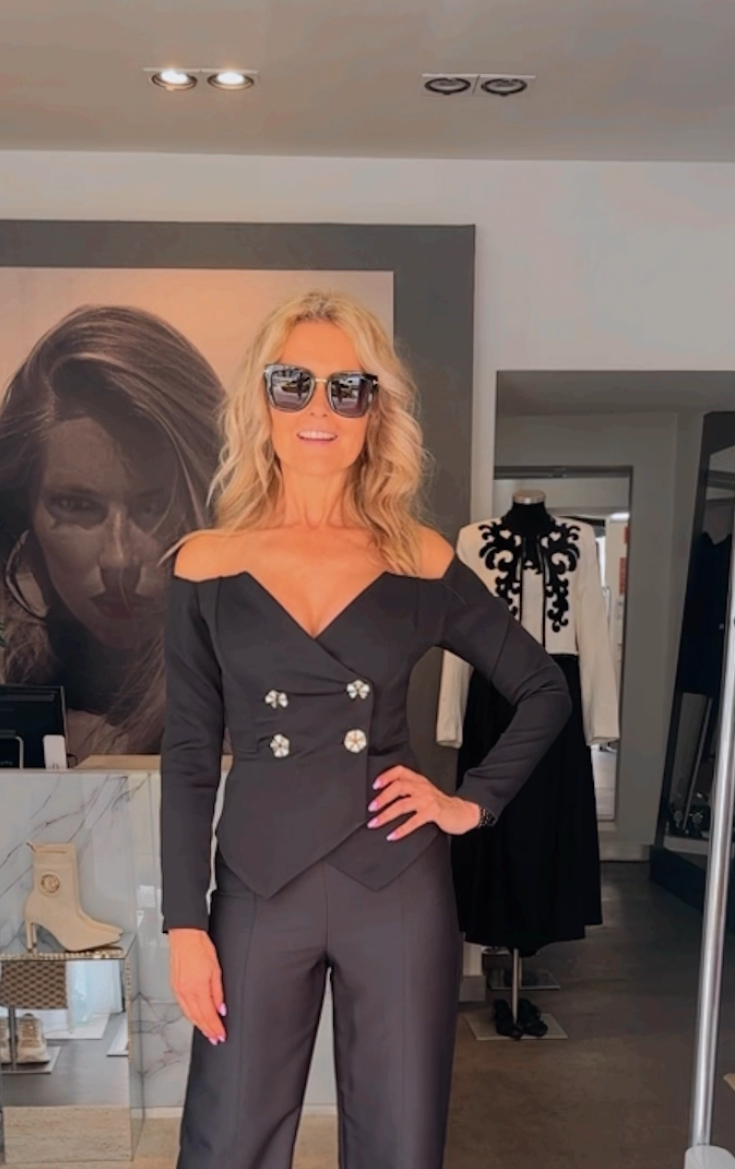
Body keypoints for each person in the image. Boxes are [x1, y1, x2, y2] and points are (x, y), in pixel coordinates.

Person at [160, 288, 572, 1169]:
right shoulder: (205, 563)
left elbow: (543, 687)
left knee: (399, 1144)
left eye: (347, 388)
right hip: (256, 887)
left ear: (374, 409)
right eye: (294, 383)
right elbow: (190, 755)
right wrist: (183, 924)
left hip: (396, 886)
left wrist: (469, 803)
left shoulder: (418, 557)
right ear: (261, 398)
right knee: (226, 1143)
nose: (319, 409)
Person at [0, 304, 224, 762]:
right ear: (22, 516)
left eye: (154, 507)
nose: (118, 560)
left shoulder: (278, 702)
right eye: (77, 505)